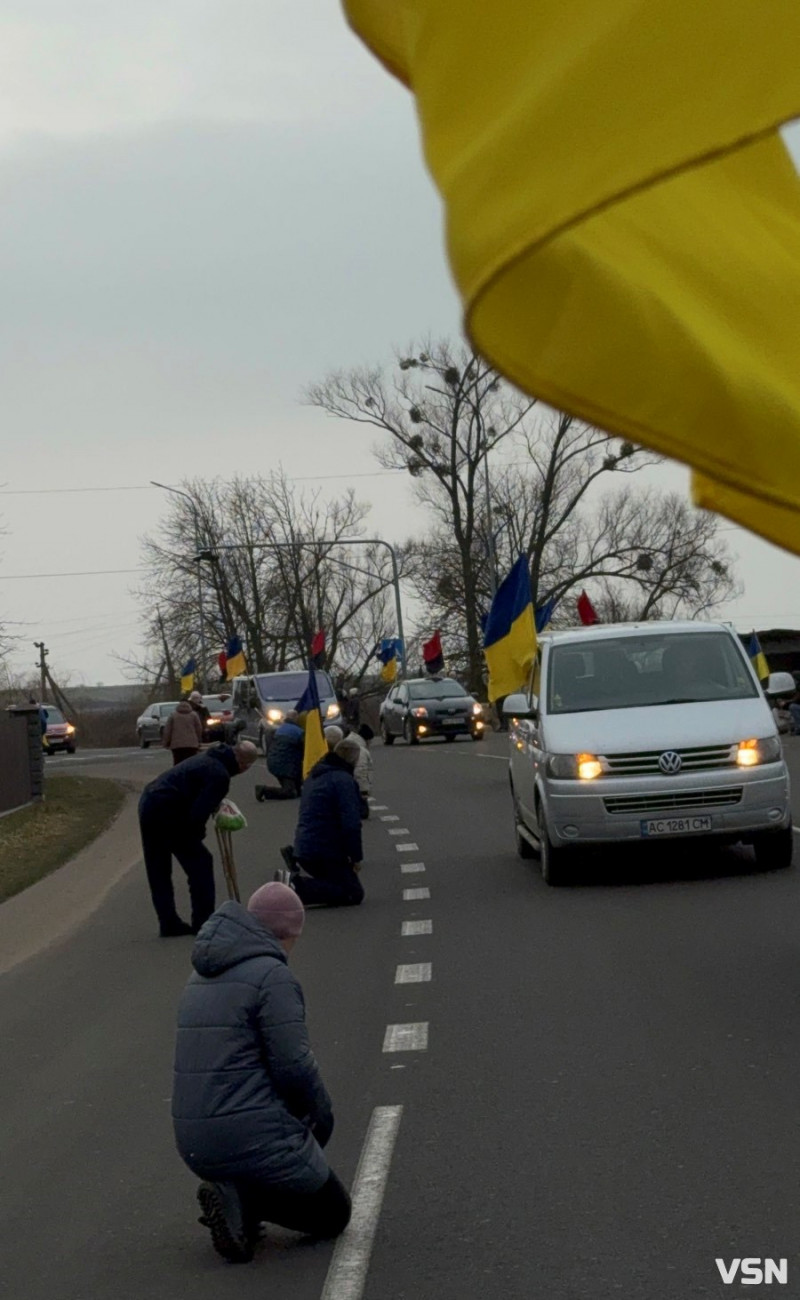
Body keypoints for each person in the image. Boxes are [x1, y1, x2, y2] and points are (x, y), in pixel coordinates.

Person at [172, 883, 351, 1262]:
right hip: (245, 1134)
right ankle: (244, 1199)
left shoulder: (197, 977)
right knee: (334, 1212)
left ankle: (235, 1196)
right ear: (285, 934)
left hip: (192, 1139)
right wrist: (320, 1114)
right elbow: (293, 1065)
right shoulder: (272, 976)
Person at [138, 741, 258, 937]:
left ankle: (168, 922)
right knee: (201, 863)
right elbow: (197, 814)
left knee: (158, 867)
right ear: (244, 766)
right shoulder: (220, 775)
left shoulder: (209, 758)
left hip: (150, 801)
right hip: (169, 810)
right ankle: (203, 921)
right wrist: (196, 836)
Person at [278, 737, 364, 907]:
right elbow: (351, 824)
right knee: (352, 893)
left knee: (340, 884)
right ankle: (296, 888)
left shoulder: (315, 775)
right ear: (353, 760)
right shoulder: (343, 781)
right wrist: (355, 857)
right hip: (324, 850)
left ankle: (296, 886)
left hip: (305, 847)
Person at [255, 710, 304, 800]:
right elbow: (304, 751)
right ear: (296, 718)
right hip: (284, 765)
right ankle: (264, 790)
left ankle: (294, 788)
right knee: (290, 792)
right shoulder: (298, 732)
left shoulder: (281, 728)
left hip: (275, 762)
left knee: (298, 791)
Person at [163, 700, 203, 765]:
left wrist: (166, 742)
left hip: (176, 745)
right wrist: (198, 740)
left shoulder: (173, 715)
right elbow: (199, 728)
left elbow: (167, 730)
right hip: (192, 744)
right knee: (191, 763)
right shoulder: (194, 715)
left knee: (178, 764)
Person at [349, 724, 374, 819]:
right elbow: (360, 771)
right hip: (355, 786)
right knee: (363, 813)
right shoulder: (361, 751)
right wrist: (364, 791)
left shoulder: (347, 743)